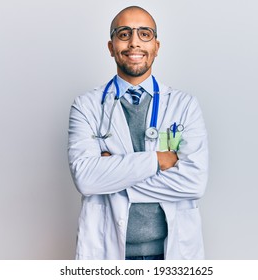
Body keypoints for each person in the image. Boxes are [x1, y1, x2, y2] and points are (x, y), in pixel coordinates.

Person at [68, 6, 208, 260]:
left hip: (170, 252)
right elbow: (86, 179)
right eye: (124, 34)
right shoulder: (86, 106)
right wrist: (157, 160)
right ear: (111, 47)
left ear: (156, 46)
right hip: (107, 252)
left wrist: (112, 177)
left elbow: (194, 182)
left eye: (144, 34)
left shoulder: (184, 105)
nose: (134, 43)